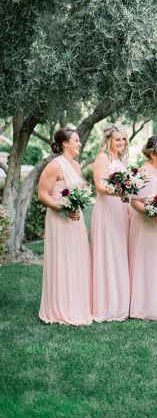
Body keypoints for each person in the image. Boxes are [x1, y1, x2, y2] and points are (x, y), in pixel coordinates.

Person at [38, 128, 92, 326]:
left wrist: (78, 204)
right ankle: (59, 307)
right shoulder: (54, 166)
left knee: (76, 259)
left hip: (75, 220)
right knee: (62, 259)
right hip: (59, 219)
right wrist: (62, 207)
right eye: (76, 140)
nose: (79, 143)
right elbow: (43, 194)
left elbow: (79, 192)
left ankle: (75, 304)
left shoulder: (76, 167)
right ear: (64, 144)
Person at [129, 136, 157, 320]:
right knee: (148, 263)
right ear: (154, 153)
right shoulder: (143, 172)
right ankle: (145, 306)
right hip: (147, 224)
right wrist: (153, 215)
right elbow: (135, 202)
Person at [90, 124, 130, 322]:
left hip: (120, 208)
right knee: (108, 251)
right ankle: (106, 304)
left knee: (119, 251)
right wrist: (119, 192)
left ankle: (120, 302)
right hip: (106, 208)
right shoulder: (102, 158)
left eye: (123, 139)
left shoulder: (121, 159)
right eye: (117, 139)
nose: (121, 142)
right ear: (108, 140)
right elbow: (99, 185)